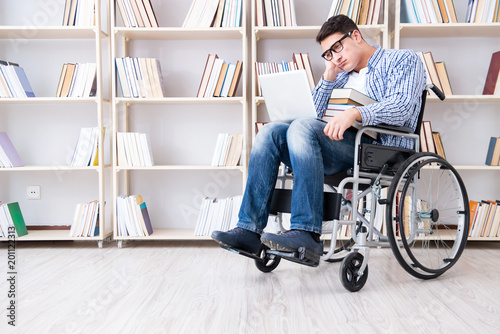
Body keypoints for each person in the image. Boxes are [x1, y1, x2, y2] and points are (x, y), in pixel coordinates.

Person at [211, 14, 426, 260]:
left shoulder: (402, 60)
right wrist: (329, 76)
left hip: (377, 148)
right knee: (270, 131)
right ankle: (249, 231)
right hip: (334, 144)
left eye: (337, 48)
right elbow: (309, 114)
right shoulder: (340, 74)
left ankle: (306, 232)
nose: (336, 57)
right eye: (328, 54)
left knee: (302, 128)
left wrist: (355, 112)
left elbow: (403, 107)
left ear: (355, 35)